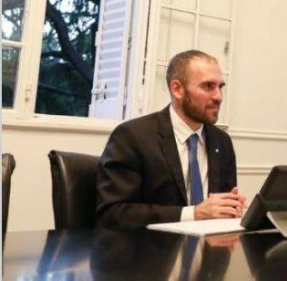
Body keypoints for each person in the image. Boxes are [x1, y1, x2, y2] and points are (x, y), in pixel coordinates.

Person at [96, 50, 246, 229]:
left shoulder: (221, 141)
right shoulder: (133, 137)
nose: (218, 97)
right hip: (151, 245)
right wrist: (193, 214)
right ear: (177, 89)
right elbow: (113, 213)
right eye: (208, 86)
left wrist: (230, 209)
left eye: (220, 87)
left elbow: (221, 209)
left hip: (210, 244)